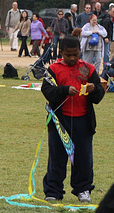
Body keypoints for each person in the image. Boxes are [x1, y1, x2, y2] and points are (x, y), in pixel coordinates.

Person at [42, 36, 104, 203]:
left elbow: (99, 95)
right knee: (57, 157)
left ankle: (83, 190)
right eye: (68, 55)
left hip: (83, 121)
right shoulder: (53, 69)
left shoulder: (87, 69)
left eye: (75, 55)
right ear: (61, 52)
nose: (72, 58)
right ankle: (53, 191)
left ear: (80, 53)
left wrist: (94, 89)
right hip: (59, 121)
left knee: (83, 158)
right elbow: (47, 91)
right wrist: (63, 90)